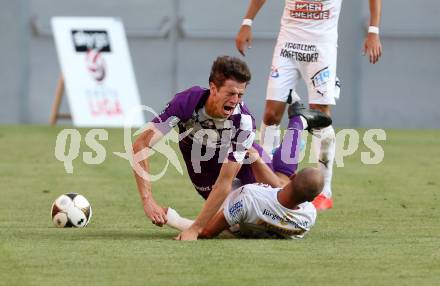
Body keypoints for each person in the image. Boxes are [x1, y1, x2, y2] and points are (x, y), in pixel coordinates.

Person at [132, 55, 331, 240]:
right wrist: (147, 199)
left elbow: (224, 182)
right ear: (213, 88)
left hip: (244, 163)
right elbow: (141, 144)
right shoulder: (186, 103)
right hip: (204, 168)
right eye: (230, 93)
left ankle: (298, 120)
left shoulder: (243, 121)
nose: (235, 100)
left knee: (282, 189)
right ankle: (297, 124)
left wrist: (194, 229)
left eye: (240, 94)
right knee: (230, 224)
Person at [235, 0, 383, 210]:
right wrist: (247, 22)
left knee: (320, 115)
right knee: (271, 114)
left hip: (321, 47)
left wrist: (373, 31)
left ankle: (324, 191)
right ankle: (267, 182)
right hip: (288, 44)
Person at [166, 167, 324, 239]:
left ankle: (296, 121)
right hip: (254, 221)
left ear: (293, 177)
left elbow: (207, 232)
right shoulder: (308, 217)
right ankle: (297, 122)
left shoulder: (249, 196)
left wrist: (173, 219)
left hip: (237, 221)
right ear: (311, 199)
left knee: (248, 153)